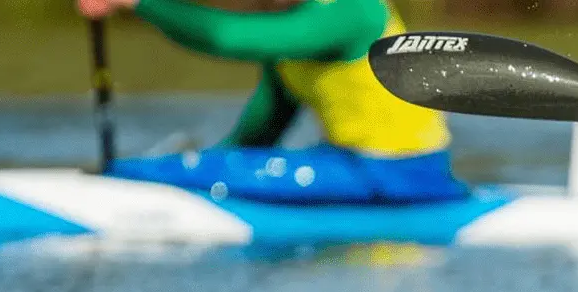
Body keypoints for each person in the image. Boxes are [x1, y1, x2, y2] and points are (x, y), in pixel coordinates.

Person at [76, 0, 470, 204]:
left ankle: (119, 179)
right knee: (199, 165)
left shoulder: (355, 11)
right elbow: (259, 133)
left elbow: (226, 37)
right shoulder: (291, 39)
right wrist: (204, 167)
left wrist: (137, 3)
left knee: (189, 168)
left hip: (403, 174)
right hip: (353, 168)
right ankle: (124, 177)